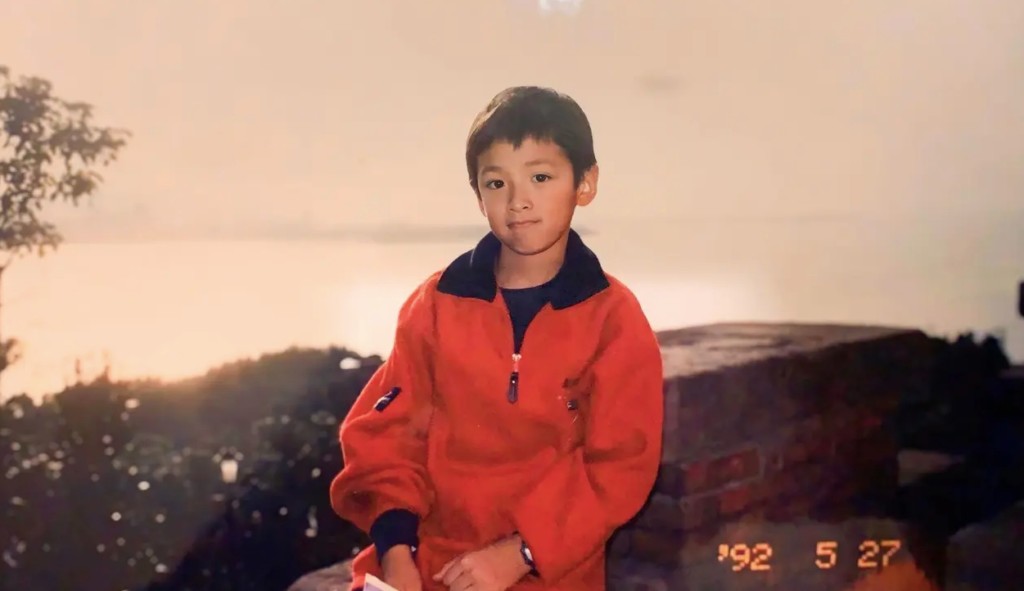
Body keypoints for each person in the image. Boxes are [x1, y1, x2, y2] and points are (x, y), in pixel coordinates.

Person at [329, 86, 664, 591]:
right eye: (496, 182)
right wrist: (397, 554)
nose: (517, 200)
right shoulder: (437, 303)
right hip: (426, 563)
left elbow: (620, 466)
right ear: (478, 195)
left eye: (541, 177)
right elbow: (385, 436)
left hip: (545, 571)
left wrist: (522, 552)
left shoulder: (613, 320)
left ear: (585, 182)